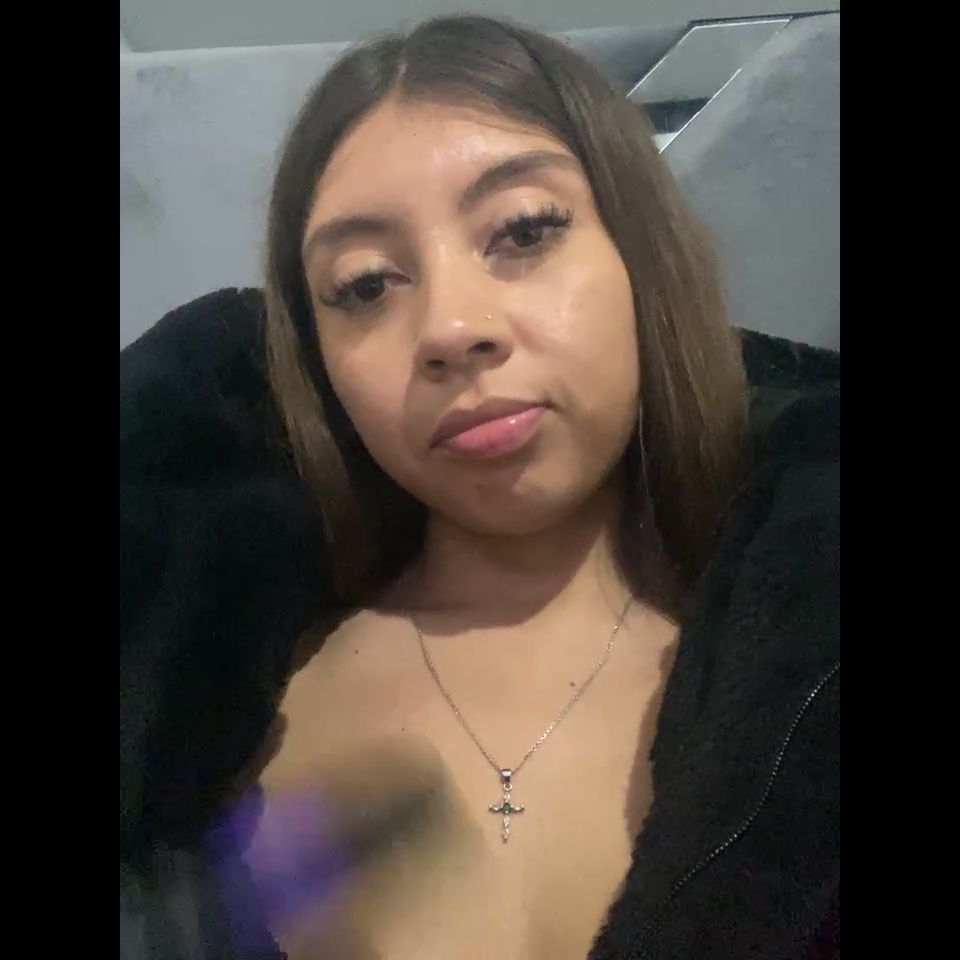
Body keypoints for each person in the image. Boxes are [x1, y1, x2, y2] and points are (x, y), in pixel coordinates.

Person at [120, 14, 839, 960]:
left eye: (525, 230)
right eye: (366, 285)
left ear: (642, 258)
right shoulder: (204, 692)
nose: (450, 328)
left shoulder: (805, 662)